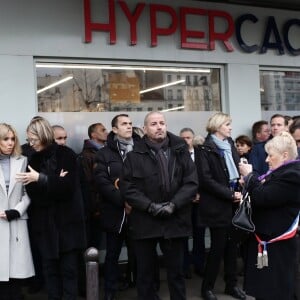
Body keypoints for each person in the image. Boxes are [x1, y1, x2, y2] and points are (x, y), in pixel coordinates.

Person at [119, 111, 198, 300]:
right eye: (153, 124)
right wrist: (150, 206)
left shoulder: (180, 150)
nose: (159, 127)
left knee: (176, 273)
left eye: (162, 123)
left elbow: (191, 182)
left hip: (175, 219)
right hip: (145, 221)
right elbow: (127, 187)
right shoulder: (134, 155)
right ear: (145, 129)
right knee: (145, 274)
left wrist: (174, 204)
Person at [16, 116, 86, 300]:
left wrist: (42, 179)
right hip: (45, 226)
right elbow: (35, 195)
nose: (31, 144)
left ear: (44, 135)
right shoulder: (30, 158)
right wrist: (56, 180)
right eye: (29, 139)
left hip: (67, 225)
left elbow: (69, 188)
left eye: (33, 139)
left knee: (69, 272)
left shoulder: (66, 154)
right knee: (50, 274)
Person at [239, 131, 300, 300]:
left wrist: (250, 176)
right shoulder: (281, 173)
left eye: (270, 155)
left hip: (277, 244)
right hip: (267, 240)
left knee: (275, 289)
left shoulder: (292, 175)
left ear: (285, 155)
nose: (266, 160)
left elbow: (264, 197)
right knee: (265, 287)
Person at [197, 112, 245, 300]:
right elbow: (205, 180)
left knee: (232, 248)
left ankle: (231, 285)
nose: (230, 127)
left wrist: (241, 181)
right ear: (217, 126)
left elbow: (232, 171)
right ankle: (206, 288)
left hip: (234, 203)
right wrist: (229, 193)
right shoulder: (205, 148)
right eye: (227, 124)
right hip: (217, 205)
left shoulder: (230, 145)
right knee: (217, 249)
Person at [94, 114, 140, 300]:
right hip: (115, 212)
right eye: (124, 124)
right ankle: (110, 291)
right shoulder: (104, 153)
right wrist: (124, 201)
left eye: (130, 124)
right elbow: (101, 182)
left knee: (141, 254)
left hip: (140, 211)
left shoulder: (142, 149)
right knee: (112, 254)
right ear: (114, 129)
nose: (128, 127)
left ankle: (144, 289)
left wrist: (137, 202)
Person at [0, 123, 35, 300]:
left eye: (13, 139)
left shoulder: (22, 161)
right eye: (6, 139)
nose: (10, 143)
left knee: (15, 273)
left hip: (16, 221)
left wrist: (16, 211)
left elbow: (28, 193)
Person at [179, 128, 205, 279]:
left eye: (188, 137)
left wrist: (200, 193)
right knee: (183, 236)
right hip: (185, 202)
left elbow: (204, 176)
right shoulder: (176, 156)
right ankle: (185, 266)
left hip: (200, 201)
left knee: (199, 235)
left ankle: (199, 264)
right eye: (182, 138)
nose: (185, 140)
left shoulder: (201, 154)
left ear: (193, 138)